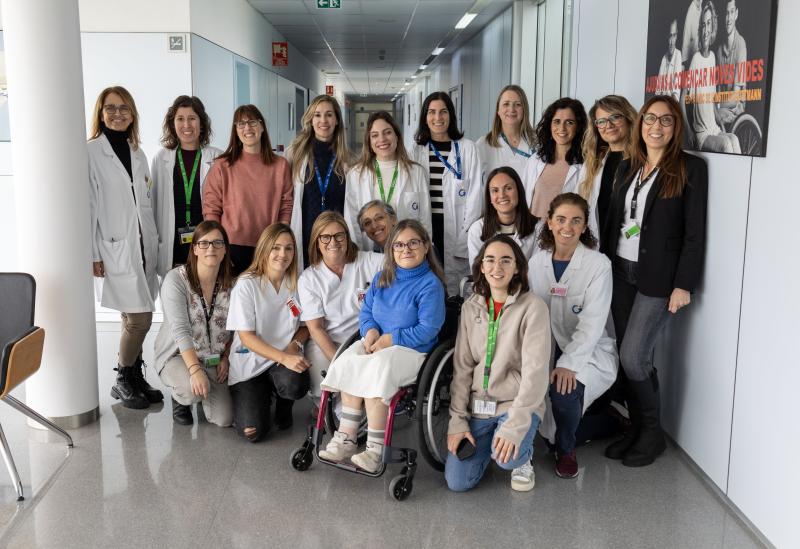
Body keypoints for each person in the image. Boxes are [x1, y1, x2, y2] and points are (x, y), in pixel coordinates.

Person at [601, 95, 708, 467]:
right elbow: (620, 218)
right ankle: (637, 428)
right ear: (641, 124)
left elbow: (694, 234)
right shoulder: (632, 165)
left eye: (665, 120)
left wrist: (684, 284)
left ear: (676, 126)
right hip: (620, 271)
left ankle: (652, 433)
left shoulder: (690, 169)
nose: (656, 127)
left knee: (633, 357)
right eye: (650, 119)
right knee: (631, 356)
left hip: (657, 278)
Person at [318, 220, 445, 473]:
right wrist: (371, 332)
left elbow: (428, 329)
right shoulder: (382, 277)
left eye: (413, 243)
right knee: (351, 360)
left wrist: (391, 338)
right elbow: (366, 314)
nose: (405, 249)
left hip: (412, 351)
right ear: (391, 250)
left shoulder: (430, 285)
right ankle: (346, 437)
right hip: (378, 344)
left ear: (426, 246)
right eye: (399, 244)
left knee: (378, 367)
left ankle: (375, 449)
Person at [445, 235, 551, 492]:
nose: (497, 267)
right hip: (479, 408)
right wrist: (457, 421)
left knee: (509, 459)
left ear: (517, 268)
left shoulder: (533, 307)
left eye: (506, 260)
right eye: (490, 260)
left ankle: (522, 457)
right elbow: (462, 369)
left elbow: (535, 374)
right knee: (457, 483)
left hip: (515, 404)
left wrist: (515, 426)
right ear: (481, 267)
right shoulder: (471, 308)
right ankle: (495, 444)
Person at [528, 193, 618, 478]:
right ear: (550, 223)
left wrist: (568, 363)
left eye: (576, 221)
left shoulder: (598, 264)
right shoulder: (536, 263)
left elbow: (592, 323)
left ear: (583, 227)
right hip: (547, 348)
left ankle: (567, 450)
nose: (568, 227)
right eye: (561, 219)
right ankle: (605, 422)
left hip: (588, 351)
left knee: (563, 393)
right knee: (546, 431)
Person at [88, 85, 163, 409]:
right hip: (115, 247)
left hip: (143, 246)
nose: (117, 114)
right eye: (110, 108)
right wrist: (93, 253)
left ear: (133, 114)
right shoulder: (91, 152)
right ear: (100, 113)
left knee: (130, 316)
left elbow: (144, 202)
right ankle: (122, 378)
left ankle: (134, 376)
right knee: (140, 319)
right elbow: (88, 207)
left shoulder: (138, 152)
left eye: (124, 108)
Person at [226, 223, 311, 442]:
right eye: (276, 247)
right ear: (264, 249)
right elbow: (246, 337)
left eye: (289, 248)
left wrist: (295, 346)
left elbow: (304, 326)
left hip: (281, 362)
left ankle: (282, 403)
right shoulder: (246, 285)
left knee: (296, 383)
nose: (282, 254)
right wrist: (285, 357)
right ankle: (259, 394)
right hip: (250, 363)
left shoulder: (296, 284)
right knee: (252, 433)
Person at [297, 212, 383, 407]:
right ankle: (326, 406)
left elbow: (400, 263)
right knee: (333, 404)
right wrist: (341, 362)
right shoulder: (309, 279)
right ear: (316, 242)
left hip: (365, 339)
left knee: (362, 403)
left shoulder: (368, 261)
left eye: (339, 235)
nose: (333, 242)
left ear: (347, 236)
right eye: (325, 237)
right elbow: (316, 328)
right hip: (327, 343)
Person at [154, 220, 234, 426]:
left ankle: (202, 387)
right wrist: (195, 370)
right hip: (178, 356)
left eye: (217, 243)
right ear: (195, 249)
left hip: (213, 359)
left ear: (225, 249)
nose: (210, 248)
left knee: (224, 419)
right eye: (204, 243)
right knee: (191, 392)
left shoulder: (231, 285)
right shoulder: (175, 280)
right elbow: (180, 329)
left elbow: (237, 329)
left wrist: (226, 356)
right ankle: (182, 396)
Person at [202, 104, 293, 275]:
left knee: (268, 300)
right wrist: (218, 245)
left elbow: (286, 206)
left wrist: (280, 243)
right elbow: (211, 210)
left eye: (252, 122)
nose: (247, 128)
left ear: (262, 126)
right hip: (231, 247)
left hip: (269, 247)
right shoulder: (222, 166)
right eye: (241, 124)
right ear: (235, 130)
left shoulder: (280, 166)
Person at [411, 91, 482, 295]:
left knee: (457, 292)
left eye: (443, 111)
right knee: (428, 289)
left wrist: (464, 238)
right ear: (425, 117)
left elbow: (476, 195)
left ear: (451, 115)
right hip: (427, 228)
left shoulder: (467, 148)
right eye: (432, 112)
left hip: (458, 230)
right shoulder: (416, 150)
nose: (438, 117)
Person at [152, 95, 222, 275]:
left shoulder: (217, 158)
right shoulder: (162, 158)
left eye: (192, 118)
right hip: (172, 247)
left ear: (202, 123)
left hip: (206, 244)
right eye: (180, 119)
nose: (186, 125)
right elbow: (153, 206)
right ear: (172, 123)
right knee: (173, 299)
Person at [343, 111, 431, 251]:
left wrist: (425, 252)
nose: (382, 139)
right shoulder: (356, 174)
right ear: (369, 141)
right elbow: (352, 220)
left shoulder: (416, 172)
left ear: (397, 135)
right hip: (369, 253)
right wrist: (358, 257)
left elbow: (425, 220)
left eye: (387, 132)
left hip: (409, 253)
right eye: (375, 135)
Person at [287, 95, 351, 266]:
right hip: (306, 235)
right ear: (310, 119)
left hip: (336, 240)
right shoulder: (294, 155)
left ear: (337, 119)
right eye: (317, 115)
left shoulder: (349, 160)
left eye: (329, 114)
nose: (323, 120)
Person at [684, 0, 742, 154]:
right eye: (703, 24)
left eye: (708, 23)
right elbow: (682, 99)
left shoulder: (713, 59)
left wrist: (721, 124)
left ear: (713, 27)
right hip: (702, 133)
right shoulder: (695, 59)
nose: (706, 29)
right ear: (700, 28)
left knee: (734, 139)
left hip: (714, 128)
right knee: (725, 145)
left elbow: (712, 101)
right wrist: (689, 131)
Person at [578, 95, 638, 240]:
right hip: (597, 248)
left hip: (628, 251)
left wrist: (626, 240)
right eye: (601, 121)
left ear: (628, 119)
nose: (608, 125)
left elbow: (647, 215)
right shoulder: (593, 163)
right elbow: (579, 207)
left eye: (615, 117)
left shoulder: (643, 161)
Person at [524, 97, 587, 220]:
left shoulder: (585, 166)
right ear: (549, 125)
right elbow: (523, 200)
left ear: (578, 127)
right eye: (557, 121)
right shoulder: (535, 160)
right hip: (532, 234)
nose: (562, 128)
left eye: (569, 122)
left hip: (565, 235)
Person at [467, 166, 538, 266]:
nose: (502, 195)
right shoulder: (477, 230)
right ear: (489, 198)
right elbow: (478, 273)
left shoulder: (538, 228)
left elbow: (538, 273)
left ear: (519, 191)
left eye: (508, 188)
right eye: (495, 190)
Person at [475, 85, 536, 180]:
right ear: (498, 111)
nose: (511, 109)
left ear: (524, 110)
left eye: (518, 104)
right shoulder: (484, 144)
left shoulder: (537, 142)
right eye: (506, 104)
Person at [716, 0, 747, 126]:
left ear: (736, 14)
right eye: (726, 13)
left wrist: (714, 106)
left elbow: (735, 97)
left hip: (736, 108)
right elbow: (717, 90)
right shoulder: (719, 50)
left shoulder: (741, 45)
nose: (728, 18)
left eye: (732, 12)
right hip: (721, 106)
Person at [656, 19, 683, 101]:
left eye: (674, 35)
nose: (671, 42)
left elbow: (676, 95)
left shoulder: (678, 55)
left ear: (677, 36)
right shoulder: (664, 58)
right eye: (670, 36)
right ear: (667, 37)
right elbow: (658, 92)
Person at [682, 0, 703, 66]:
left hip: (701, 54)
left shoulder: (702, 5)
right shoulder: (691, 10)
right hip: (692, 58)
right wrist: (684, 62)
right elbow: (686, 38)